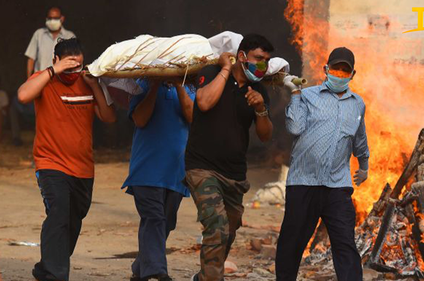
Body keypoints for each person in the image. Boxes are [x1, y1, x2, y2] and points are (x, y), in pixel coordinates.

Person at [17, 38, 116, 281]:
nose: (73, 72)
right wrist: (54, 71)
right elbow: (22, 96)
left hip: (83, 168)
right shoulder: (45, 79)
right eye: (68, 66)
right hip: (50, 164)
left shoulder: (88, 82)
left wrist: (94, 86)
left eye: (78, 66)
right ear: (55, 61)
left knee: (74, 219)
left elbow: (109, 117)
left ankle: (46, 267)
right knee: (59, 212)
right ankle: (54, 274)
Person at [184, 34, 274, 281]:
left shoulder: (259, 90)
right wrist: (225, 68)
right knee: (217, 227)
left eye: (267, 60)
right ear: (242, 56)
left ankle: (205, 277)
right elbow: (203, 102)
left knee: (229, 231)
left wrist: (260, 109)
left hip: (235, 175)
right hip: (201, 168)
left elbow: (265, 135)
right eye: (258, 58)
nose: (262, 65)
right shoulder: (212, 72)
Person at [276, 47, 369, 281]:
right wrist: (295, 93)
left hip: (337, 186)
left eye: (344, 71)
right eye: (335, 68)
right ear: (326, 69)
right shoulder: (307, 96)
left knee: (345, 243)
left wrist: (364, 165)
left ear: (352, 74)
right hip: (303, 182)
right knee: (293, 242)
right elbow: (294, 128)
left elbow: (359, 139)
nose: (339, 74)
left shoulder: (357, 104)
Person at [122, 78, 195, 281]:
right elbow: (140, 119)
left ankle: (141, 265)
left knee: (166, 222)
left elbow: (192, 116)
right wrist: (154, 86)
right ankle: (157, 271)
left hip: (176, 171)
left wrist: (179, 85)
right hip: (147, 170)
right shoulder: (142, 85)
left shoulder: (190, 88)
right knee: (154, 218)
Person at [11, 6, 76, 146]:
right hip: (40, 82)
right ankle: (42, 151)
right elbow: (31, 59)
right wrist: (30, 80)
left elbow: (74, 60)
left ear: (62, 19)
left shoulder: (70, 36)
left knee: (60, 118)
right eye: (50, 18)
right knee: (41, 118)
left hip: (60, 83)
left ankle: (60, 149)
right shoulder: (39, 34)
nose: (52, 21)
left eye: (55, 18)